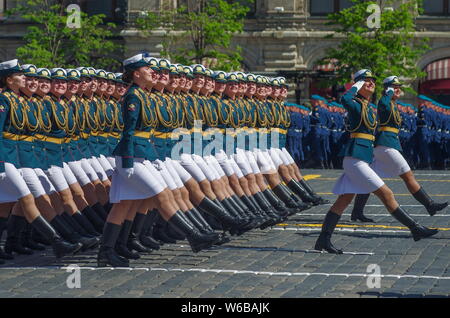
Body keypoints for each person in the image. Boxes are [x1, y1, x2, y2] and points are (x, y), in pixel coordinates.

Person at [314, 69, 438, 254]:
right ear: (357, 85)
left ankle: (323, 240)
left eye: (373, 80)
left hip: (362, 157)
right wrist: (356, 84)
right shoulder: (355, 103)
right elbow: (344, 100)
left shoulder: (368, 106)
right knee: (386, 194)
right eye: (366, 81)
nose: (371, 83)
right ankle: (415, 228)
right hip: (355, 158)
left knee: (343, 200)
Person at [350, 76, 448, 222]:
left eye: (398, 88)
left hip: (388, 144)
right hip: (386, 146)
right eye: (395, 88)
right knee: (408, 176)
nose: (398, 90)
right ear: (388, 89)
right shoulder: (385, 101)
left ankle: (357, 212)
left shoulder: (393, 103)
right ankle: (430, 205)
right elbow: (382, 103)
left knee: (370, 180)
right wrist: (388, 92)